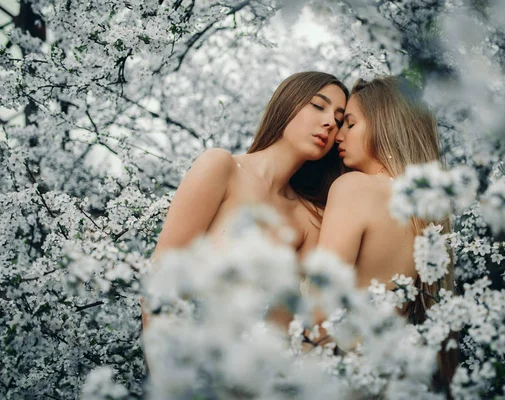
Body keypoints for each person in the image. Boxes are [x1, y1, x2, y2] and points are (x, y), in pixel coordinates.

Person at [141, 71, 349, 352]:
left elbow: (281, 327)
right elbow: (160, 279)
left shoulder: (309, 220)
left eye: (338, 120)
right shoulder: (220, 168)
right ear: (288, 103)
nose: (329, 122)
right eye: (318, 105)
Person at [315, 75, 457, 387]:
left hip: (340, 375)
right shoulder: (427, 211)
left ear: (385, 124)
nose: (338, 135)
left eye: (350, 124)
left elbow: (319, 299)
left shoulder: (353, 187)